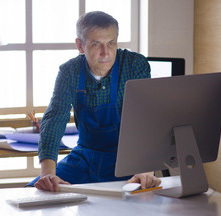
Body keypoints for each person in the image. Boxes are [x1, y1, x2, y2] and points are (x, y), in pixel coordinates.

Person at [28, 11, 161, 191]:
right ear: (80, 46)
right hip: (84, 159)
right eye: (96, 44)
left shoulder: (134, 65)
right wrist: (47, 174)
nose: (105, 53)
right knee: (34, 191)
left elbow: (146, 119)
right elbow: (55, 119)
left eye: (111, 43)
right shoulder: (70, 71)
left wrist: (146, 170)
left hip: (127, 162)